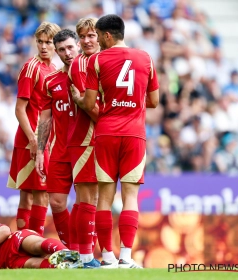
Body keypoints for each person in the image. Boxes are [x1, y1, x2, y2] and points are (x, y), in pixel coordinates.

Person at [71, 14, 159, 269]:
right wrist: (130, 102)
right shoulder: (145, 58)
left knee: (105, 199)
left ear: (107, 35)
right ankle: (127, 258)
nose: (96, 40)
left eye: (97, 35)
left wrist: (80, 100)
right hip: (134, 134)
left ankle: (107, 257)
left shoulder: (96, 60)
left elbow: (89, 104)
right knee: (130, 197)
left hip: (106, 133)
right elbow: (153, 101)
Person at [7, 22, 61, 236]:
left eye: (48, 42)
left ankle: (25, 242)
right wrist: (32, 139)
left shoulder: (53, 69)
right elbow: (20, 109)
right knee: (36, 193)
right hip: (32, 138)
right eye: (40, 42)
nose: (44, 46)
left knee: (33, 193)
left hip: (44, 138)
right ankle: (31, 243)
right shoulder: (31, 67)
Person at [35, 29, 81, 248]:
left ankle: (88, 252)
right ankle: (74, 251)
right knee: (56, 202)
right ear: (56, 52)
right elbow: (45, 119)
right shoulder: (51, 81)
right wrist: (40, 152)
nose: (67, 53)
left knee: (87, 203)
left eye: (70, 47)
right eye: (61, 49)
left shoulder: (92, 74)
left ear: (78, 46)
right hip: (60, 150)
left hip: (86, 149)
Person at [67, 18, 101, 268]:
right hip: (84, 139)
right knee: (87, 197)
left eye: (92, 35)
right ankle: (86, 257)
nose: (87, 40)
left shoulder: (102, 61)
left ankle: (80, 254)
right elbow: (89, 106)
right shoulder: (80, 64)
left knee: (89, 198)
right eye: (83, 36)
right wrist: (116, 122)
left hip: (97, 137)